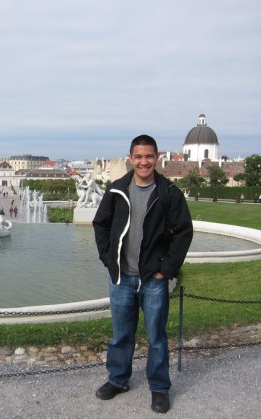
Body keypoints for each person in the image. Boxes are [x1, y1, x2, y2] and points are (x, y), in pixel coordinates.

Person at [92, 134, 193, 414]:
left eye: (149, 156)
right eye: (138, 156)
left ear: (156, 157)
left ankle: (159, 387)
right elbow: (101, 225)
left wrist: (166, 270)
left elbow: (183, 233)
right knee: (120, 336)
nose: (144, 162)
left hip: (153, 279)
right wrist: (108, 259)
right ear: (131, 158)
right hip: (122, 278)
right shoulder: (117, 190)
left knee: (156, 337)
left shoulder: (168, 192)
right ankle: (118, 379)